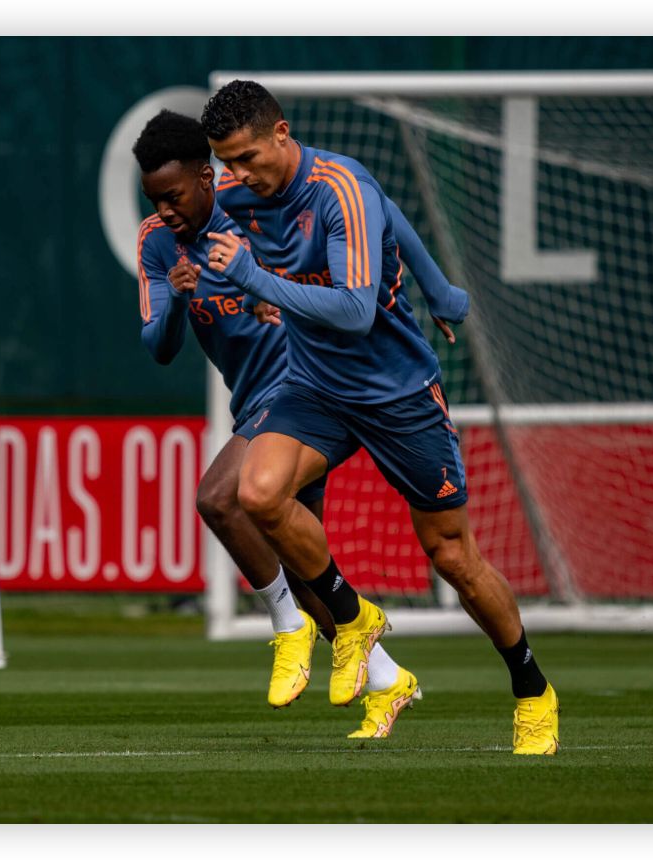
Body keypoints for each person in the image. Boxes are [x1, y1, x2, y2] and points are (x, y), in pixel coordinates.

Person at [201, 82, 559, 754]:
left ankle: (532, 687)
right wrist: (438, 287)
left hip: (397, 393)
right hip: (314, 385)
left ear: (282, 133)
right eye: (227, 162)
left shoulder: (340, 190)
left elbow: (356, 311)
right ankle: (353, 619)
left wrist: (256, 282)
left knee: (452, 557)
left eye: (247, 157)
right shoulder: (237, 193)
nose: (238, 174)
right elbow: (386, 215)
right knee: (257, 493)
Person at [135, 109, 440, 740]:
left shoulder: (253, 205)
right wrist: (181, 299)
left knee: (219, 498)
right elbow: (159, 347)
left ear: (206, 177)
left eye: (174, 195)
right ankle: (389, 680)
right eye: (153, 199)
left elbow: (377, 209)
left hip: (302, 390)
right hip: (251, 399)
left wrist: (436, 287)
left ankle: (285, 627)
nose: (164, 210)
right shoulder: (156, 243)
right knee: (307, 576)